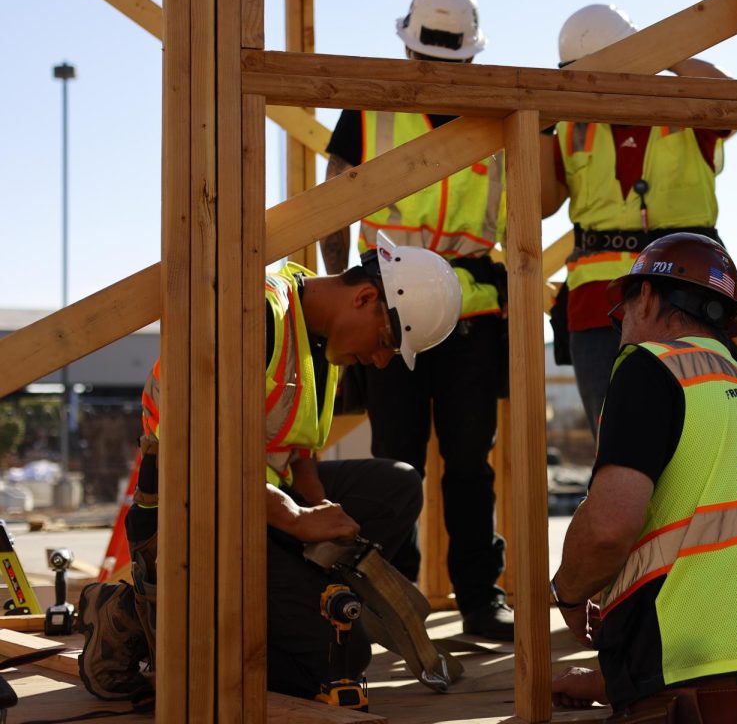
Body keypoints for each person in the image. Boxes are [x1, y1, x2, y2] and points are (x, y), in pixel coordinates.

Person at [77, 233, 463, 703]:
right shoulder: (256, 313)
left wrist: (317, 501)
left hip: (260, 507)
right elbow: (202, 456)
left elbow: (296, 446)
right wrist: (298, 520)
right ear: (365, 298)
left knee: (397, 485)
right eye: (386, 342)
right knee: (340, 658)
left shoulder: (320, 334)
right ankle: (135, 623)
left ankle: (291, 604)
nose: (382, 361)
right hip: (197, 515)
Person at [548, 234, 737, 722]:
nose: (620, 333)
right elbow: (725, 564)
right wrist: (611, 680)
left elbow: (609, 528)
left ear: (649, 298)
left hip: (692, 680)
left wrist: (568, 593)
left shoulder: (651, 366)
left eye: (622, 314)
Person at [320, 0, 514, 640]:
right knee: (394, 462)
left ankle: (479, 599)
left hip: (470, 312)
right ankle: (393, 597)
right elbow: (332, 204)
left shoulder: (494, 117)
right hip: (385, 313)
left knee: (468, 462)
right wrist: (339, 299)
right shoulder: (370, 110)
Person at [541, 3, 737, 439]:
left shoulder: (684, 104)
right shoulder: (569, 125)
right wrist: (538, 121)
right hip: (598, 307)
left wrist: (666, 52)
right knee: (613, 438)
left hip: (686, 298)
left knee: (702, 431)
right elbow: (540, 203)